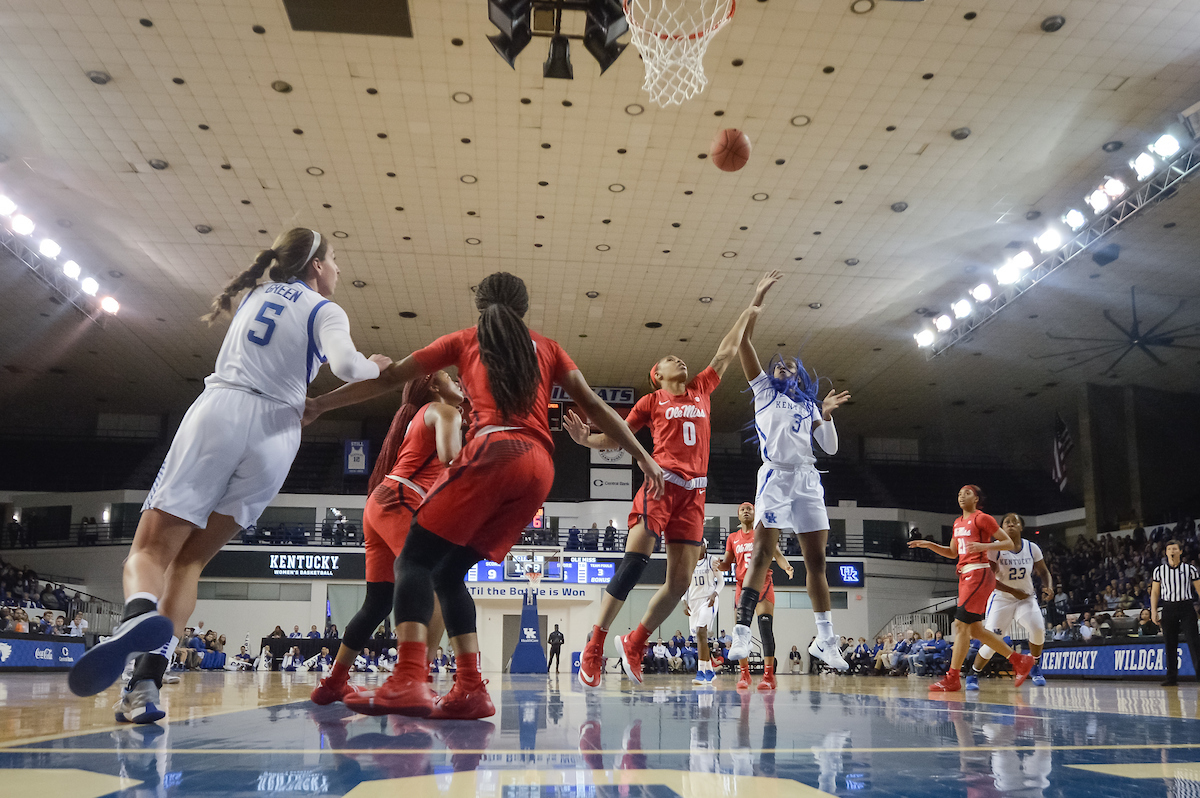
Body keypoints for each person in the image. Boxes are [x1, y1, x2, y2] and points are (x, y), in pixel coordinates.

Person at [303, 271, 663, 719]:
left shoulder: (465, 340)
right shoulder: (550, 348)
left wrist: (320, 405)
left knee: (414, 561)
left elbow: (389, 379)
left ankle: (409, 679)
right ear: (524, 308)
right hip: (540, 468)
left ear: (481, 305)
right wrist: (642, 457)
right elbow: (594, 405)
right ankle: (471, 686)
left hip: (497, 449)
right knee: (449, 574)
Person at [68, 227, 389, 727]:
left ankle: (135, 620)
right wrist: (373, 366)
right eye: (335, 260)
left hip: (223, 411)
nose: (340, 269)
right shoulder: (326, 309)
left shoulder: (253, 296)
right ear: (315, 267)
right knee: (191, 564)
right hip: (279, 433)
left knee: (151, 552)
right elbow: (348, 366)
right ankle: (144, 689)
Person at [570, 290, 759, 688]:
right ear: (657, 374)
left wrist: (752, 304)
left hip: (695, 495)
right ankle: (595, 645)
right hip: (661, 485)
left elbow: (726, 351)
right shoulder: (651, 401)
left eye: (681, 358)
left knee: (678, 584)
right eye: (671, 359)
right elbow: (619, 435)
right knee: (635, 562)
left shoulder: (703, 388)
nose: (681, 360)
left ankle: (634, 641)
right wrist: (588, 440)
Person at [311, 370, 465, 706]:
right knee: (437, 583)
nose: (459, 382)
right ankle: (417, 679)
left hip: (381, 501)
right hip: (402, 499)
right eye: (451, 378)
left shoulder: (417, 417)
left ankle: (334, 682)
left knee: (378, 602)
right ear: (435, 387)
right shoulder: (444, 412)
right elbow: (453, 461)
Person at [725, 271, 850, 676]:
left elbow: (829, 447)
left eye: (789, 367)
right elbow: (743, 343)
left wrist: (826, 416)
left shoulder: (808, 406)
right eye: (778, 365)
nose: (782, 367)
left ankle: (826, 641)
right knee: (761, 553)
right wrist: (757, 298)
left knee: (817, 561)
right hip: (775, 477)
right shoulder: (763, 391)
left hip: (808, 479)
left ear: (797, 378)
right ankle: (742, 631)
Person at [907, 485, 1034, 691]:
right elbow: (952, 552)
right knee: (975, 630)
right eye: (959, 493)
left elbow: (1008, 543)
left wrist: (985, 547)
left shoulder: (982, 518)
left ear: (976, 498)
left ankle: (953, 677)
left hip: (979, 572)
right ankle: (1019, 660)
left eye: (967, 493)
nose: (961, 496)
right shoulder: (957, 522)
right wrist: (928, 545)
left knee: (959, 626)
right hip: (965, 575)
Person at [966, 514, 1053, 689]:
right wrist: (1013, 591)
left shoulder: (1032, 547)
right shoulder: (995, 548)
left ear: (1021, 527)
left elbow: (1043, 571)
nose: (1011, 525)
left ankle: (1035, 667)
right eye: (1007, 522)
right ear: (1002, 528)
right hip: (1001, 598)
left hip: (1026, 598)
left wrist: (1049, 587)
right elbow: (990, 579)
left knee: (1038, 629)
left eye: (1016, 522)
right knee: (992, 642)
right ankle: (973, 673)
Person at [721, 502, 796, 690]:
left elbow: (777, 554)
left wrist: (786, 566)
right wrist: (719, 565)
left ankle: (769, 676)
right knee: (741, 632)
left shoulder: (762, 534)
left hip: (763, 584)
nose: (746, 511)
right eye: (742, 509)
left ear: (755, 514)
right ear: (738, 515)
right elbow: (727, 561)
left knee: (765, 629)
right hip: (742, 587)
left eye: (749, 509)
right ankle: (744, 675)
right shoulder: (732, 538)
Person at [1151, 539, 1200, 686]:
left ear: (1180, 551)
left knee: (1194, 642)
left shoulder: (1190, 569)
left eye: (1174, 549)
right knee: (1170, 643)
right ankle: (1171, 677)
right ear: (1166, 552)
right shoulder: (1159, 570)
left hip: (1186, 607)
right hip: (1168, 607)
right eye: (1169, 549)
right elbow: (1154, 592)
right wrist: (1153, 610)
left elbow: (1199, 588)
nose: (1172, 551)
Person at [684, 553, 725, 685]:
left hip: (708, 599)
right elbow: (684, 583)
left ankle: (700, 672)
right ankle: (709, 671)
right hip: (693, 602)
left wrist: (715, 593)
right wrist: (684, 600)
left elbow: (721, 581)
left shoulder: (711, 560)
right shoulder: (689, 560)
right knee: (700, 638)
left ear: (704, 545)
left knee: (701, 632)